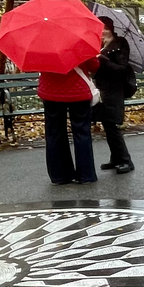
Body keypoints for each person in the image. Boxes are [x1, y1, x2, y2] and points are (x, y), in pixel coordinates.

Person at [38, 49, 99, 185]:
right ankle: (86, 175)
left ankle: (59, 176)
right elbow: (94, 66)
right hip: (78, 91)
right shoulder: (78, 40)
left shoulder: (42, 42)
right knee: (82, 132)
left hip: (50, 91)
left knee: (54, 134)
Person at [93, 16, 134, 174]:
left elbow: (122, 69)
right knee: (107, 124)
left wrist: (103, 59)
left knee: (113, 124)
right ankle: (115, 158)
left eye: (106, 28)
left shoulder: (120, 44)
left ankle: (126, 160)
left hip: (115, 89)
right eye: (100, 28)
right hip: (103, 88)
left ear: (111, 29)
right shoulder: (99, 44)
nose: (102, 31)